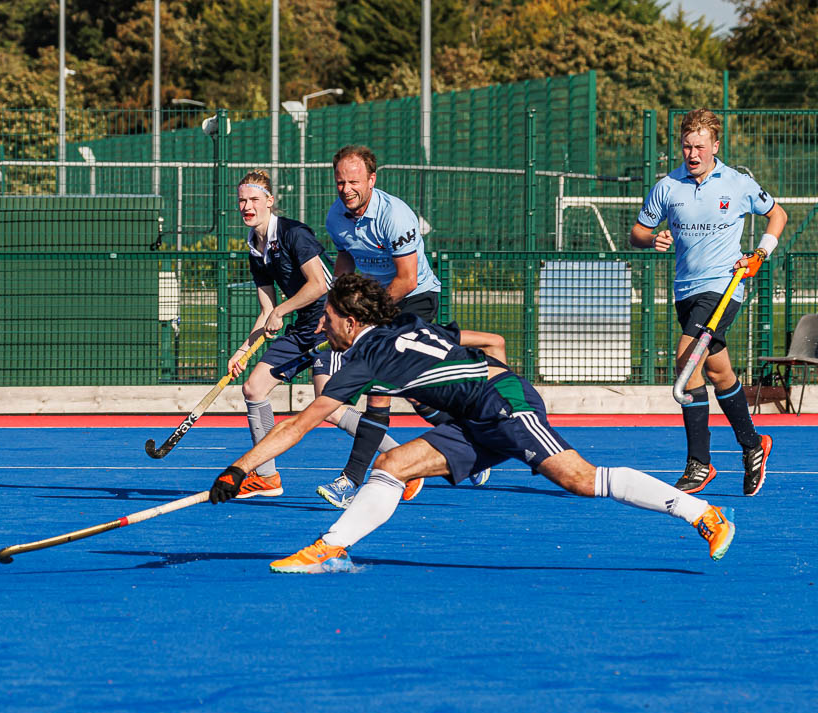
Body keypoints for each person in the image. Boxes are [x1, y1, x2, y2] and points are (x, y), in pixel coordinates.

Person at [207, 273, 738, 573]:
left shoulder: (365, 357)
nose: (322, 328)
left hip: (502, 402)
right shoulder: (405, 322)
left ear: (351, 321)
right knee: (394, 463)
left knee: (581, 479)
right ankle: (330, 547)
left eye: (327, 320)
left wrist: (239, 467)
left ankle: (704, 514)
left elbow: (300, 423)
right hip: (476, 411)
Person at [318, 145, 491, 509]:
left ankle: (350, 480)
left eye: (354, 181)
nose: (346, 189)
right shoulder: (336, 216)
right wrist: (336, 304)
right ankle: (473, 446)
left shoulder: (395, 216)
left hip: (414, 297)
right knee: (415, 394)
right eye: (340, 182)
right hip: (372, 301)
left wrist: (366, 315)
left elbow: (407, 280)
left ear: (372, 179)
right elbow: (346, 256)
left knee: (378, 387)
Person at [629, 108, 786, 497]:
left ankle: (699, 463)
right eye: (687, 145)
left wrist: (760, 255)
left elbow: (777, 214)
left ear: (715, 145)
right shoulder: (667, 186)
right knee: (717, 373)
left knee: (687, 358)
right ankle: (753, 446)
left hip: (725, 287)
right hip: (686, 291)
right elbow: (637, 232)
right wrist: (652, 239)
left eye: (700, 146)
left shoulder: (737, 183)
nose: (692, 153)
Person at [224, 170, 334, 499]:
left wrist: (280, 312)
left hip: (334, 323)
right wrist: (243, 350)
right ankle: (267, 477)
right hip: (303, 325)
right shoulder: (255, 249)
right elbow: (266, 308)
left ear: (270, 202)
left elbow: (321, 285)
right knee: (254, 387)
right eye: (242, 200)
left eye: (254, 199)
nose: (247, 206)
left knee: (330, 407)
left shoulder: (293, 234)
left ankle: (395, 457)